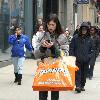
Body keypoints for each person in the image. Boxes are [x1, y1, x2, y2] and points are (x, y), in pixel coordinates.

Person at [38, 14, 63, 100]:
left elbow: (64, 53)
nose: (50, 27)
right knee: (42, 93)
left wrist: (53, 48)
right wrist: (42, 48)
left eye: (53, 25)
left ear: (57, 25)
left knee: (55, 94)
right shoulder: (41, 35)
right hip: (44, 67)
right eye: (49, 24)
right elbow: (35, 54)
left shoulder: (62, 36)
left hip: (56, 68)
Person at [69, 22, 94, 93]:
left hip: (86, 60)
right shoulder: (75, 38)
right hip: (77, 59)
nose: (84, 30)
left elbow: (92, 50)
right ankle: (78, 86)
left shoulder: (90, 39)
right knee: (77, 73)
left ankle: (82, 85)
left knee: (84, 74)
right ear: (80, 29)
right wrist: (72, 56)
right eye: (83, 29)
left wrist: (89, 57)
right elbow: (71, 48)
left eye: (85, 29)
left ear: (87, 30)